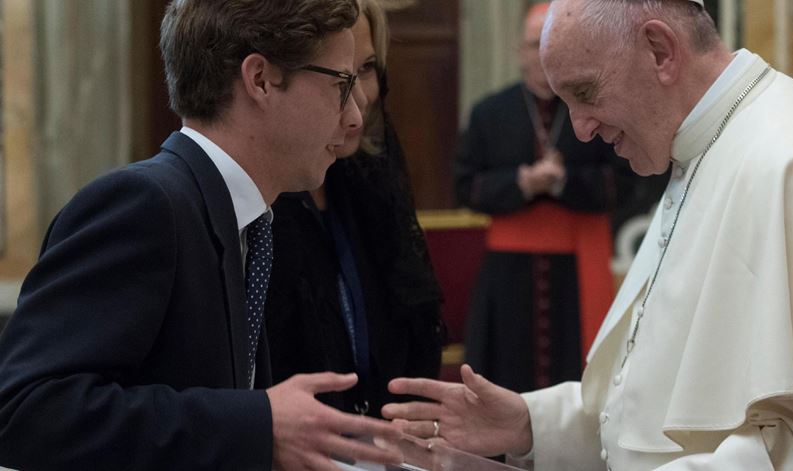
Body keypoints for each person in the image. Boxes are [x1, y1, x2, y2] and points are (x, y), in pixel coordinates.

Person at [382, 0, 793, 469]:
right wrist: (530, 424)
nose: (580, 130)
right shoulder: (698, 146)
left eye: (586, 92)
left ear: (660, 51)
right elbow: (657, 412)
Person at [0, 1, 404, 470]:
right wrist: (257, 424)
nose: (355, 117)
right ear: (260, 80)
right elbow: (23, 411)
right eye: (341, 84)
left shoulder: (243, 216)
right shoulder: (145, 203)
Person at [265, 0, 445, 418]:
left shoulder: (371, 183)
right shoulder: (262, 198)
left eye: (366, 69)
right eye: (343, 76)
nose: (360, 97)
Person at [454, 3, 623, 392]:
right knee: (504, 375)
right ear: (519, 51)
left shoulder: (599, 109)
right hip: (507, 276)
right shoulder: (489, 113)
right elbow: (465, 187)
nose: (543, 55)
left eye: (552, 45)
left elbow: (625, 183)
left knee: (578, 375)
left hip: (577, 272)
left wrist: (564, 183)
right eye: (535, 44)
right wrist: (523, 184)